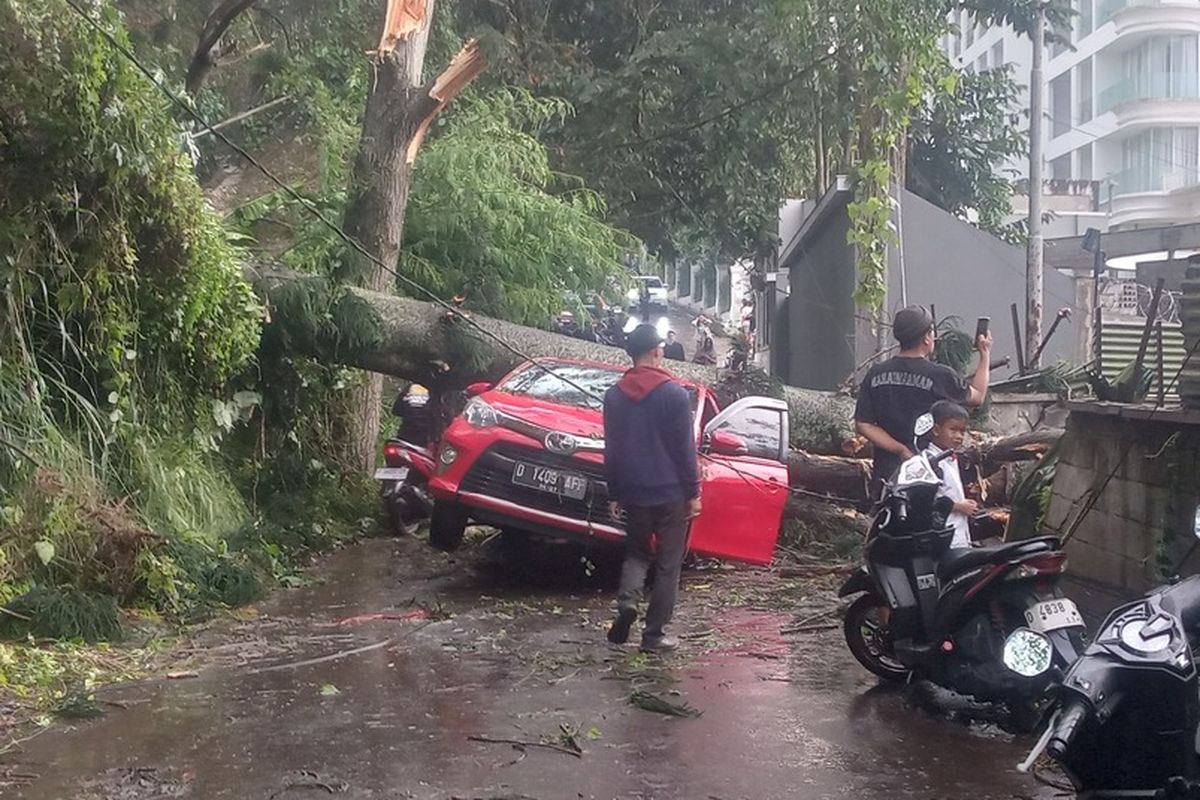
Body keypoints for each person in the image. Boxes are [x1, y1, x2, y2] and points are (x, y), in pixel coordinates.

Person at [603, 324, 701, 653]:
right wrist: (694, 492)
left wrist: (614, 492)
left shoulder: (614, 396)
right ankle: (653, 635)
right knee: (668, 563)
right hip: (671, 492)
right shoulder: (674, 393)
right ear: (657, 351)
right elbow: (684, 449)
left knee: (636, 553)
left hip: (634, 490)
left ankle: (627, 603)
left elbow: (611, 449)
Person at [854, 306, 992, 493]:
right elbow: (977, 396)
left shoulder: (876, 373)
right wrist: (984, 354)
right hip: (929, 474)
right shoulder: (939, 375)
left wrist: (900, 450)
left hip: (886, 476)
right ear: (927, 338)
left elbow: (864, 424)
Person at [922, 400, 977, 549]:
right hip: (943, 536)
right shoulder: (929, 462)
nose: (959, 436)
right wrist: (958, 506)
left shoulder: (951, 458)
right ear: (936, 430)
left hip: (959, 534)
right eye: (953, 430)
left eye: (962, 431)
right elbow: (926, 501)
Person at [391, 382, 434, 447]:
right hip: (425, 437)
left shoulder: (409, 388)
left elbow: (396, 410)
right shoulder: (436, 390)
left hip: (405, 434)